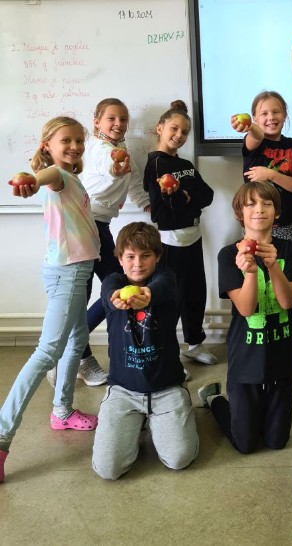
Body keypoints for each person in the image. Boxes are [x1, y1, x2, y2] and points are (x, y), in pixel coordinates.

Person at [0, 117, 100, 483]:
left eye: (78, 140)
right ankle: (2, 436)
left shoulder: (72, 177)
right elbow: (46, 176)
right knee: (47, 352)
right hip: (69, 273)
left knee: (76, 341)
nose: (74, 146)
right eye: (65, 140)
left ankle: (62, 411)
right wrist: (29, 179)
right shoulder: (57, 175)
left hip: (75, 269)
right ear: (47, 146)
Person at [46, 98, 150, 389]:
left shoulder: (123, 150)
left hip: (99, 226)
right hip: (85, 225)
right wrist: (115, 169)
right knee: (103, 291)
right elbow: (108, 165)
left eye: (123, 119)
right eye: (111, 118)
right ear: (96, 122)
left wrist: (148, 205)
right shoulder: (95, 147)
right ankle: (73, 357)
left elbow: (134, 183)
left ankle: (75, 355)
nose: (118, 124)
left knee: (116, 288)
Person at [197, 182, 292, 454]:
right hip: (245, 359)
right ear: (240, 213)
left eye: (267, 204)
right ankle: (214, 398)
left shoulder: (288, 249)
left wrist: (273, 266)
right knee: (245, 444)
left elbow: (287, 302)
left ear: (276, 212)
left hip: (281, 357)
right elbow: (246, 309)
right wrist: (249, 272)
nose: (259, 210)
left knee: (277, 442)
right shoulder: (228, 254)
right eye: (251, 204)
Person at [92, 222, 198, 479]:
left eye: (146, 255)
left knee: (179, 459)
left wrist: (147, 294)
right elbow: (109, 292)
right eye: (130, 256)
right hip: (123, 390)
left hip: (166, 388)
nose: (137, 264)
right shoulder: (113, 282)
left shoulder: (167, 279)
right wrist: (116, 298)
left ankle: (168, 414)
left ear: (157, 257)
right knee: (108, 470)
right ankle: (137, 420)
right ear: (120, 259)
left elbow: (164, 285)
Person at [143, 100, 216, 367]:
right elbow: (162, 213)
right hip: (171, 242)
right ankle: (167, 353)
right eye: (174, 128)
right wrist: (181, 198)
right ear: (160, 128)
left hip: (194, 235)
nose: (179, 135)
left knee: (196, 292)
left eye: (184, 132)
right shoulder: (155, 165)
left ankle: (194, 343)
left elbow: (207, 195)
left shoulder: (184, 163)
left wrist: (185, 197)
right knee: (171, 298)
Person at [231, 90, 292, 242]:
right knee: (255, 258)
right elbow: (257, 135)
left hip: (286, 224)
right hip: (255, 223)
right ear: (255, 118)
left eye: (276, 112)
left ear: (284, 115)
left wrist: (271, 175)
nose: (271, 117)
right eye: (264, 114)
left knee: (285, 258)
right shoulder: (255, 142)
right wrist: (249, 126)